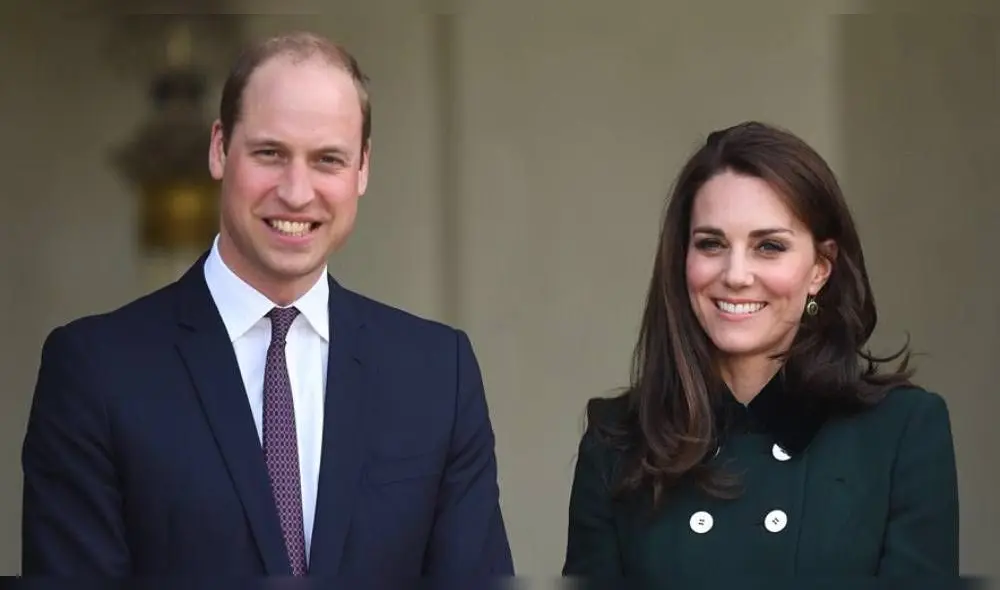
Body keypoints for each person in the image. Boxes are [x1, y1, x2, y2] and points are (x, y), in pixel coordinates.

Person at [21, 31, 513, 581]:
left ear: (363, 169)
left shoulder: (437, 373)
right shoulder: (95, 370)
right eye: (270, 153)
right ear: (219, 149)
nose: (297, 192)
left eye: (328, 159)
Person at [562, 121, 959, 580]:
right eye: (711, 244)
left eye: (769, 247)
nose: (735, 274)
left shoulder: (902, 432)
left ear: (820, 269)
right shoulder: (617, 442)